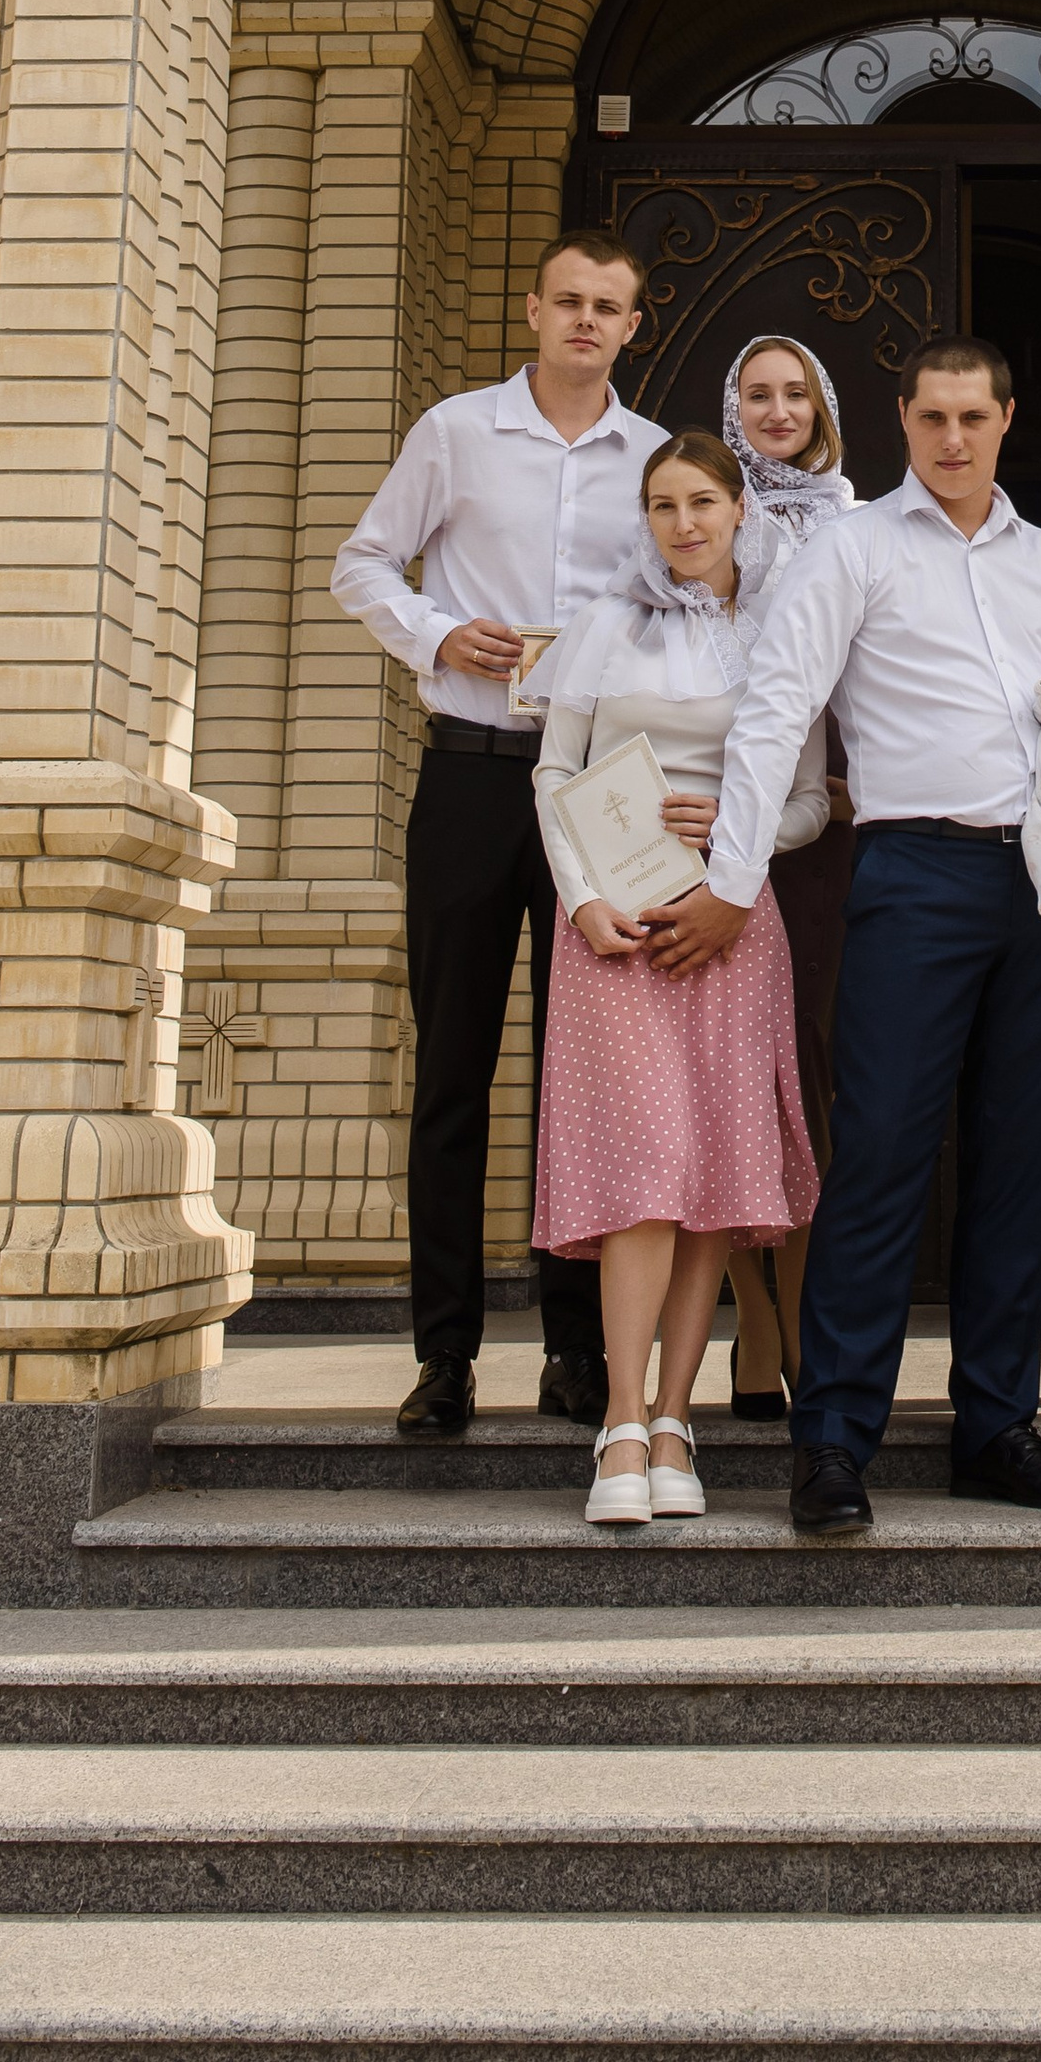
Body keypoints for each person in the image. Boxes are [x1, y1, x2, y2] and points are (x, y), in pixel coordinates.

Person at [657, 334, 1041, 1533]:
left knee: (1017, 1164)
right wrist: (735, 879)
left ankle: (998, 1425)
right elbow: (778, 708)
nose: (952, 439)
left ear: (1004, 421)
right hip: (913, 872)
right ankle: (834, 1437)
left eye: (973, 418)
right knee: (882, 1155)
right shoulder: (851, 549)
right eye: (931, 417)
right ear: (901, 419)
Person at [330, 228, 666, 1440]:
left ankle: (576, 1350)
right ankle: (445, 1355)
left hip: (599, 791)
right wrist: (434, 633)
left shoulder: (650, 459)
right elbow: (359, 562)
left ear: (634, 325)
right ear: (533, 309)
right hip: (473, 774)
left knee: (587, 1073)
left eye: (609, 307)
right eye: (568, 300)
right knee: (455, 1072)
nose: (586, 320)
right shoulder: (456, 431)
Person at [533, 430, 825, 1525]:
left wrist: (743, 832)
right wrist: (581, 902)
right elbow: (555, 771)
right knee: (644, 1173)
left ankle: (674, 1418)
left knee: (707, 1180)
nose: (684, 523)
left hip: (730, 928)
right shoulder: (606, 626)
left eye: (702, 501)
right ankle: (618, 1418)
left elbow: (810, 798)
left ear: (740, 509)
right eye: (662, 505)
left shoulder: (778, 635)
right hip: (615, 927)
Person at [714, 334, 855, 1421]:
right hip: (712, 826)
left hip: (831, 837)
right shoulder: (705, 516)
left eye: (792, 392)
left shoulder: (860, 519)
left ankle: (809, 1322)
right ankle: (752, 1321)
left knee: (812, 1076)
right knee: (723, 1076)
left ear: (821, 404)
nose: (775, 410)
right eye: (755, 394)